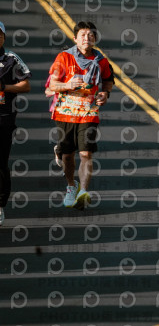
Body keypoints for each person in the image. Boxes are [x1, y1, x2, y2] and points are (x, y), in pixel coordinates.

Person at [48, 21, 113, 210]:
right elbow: (52, 85)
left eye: (91, 35)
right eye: (83, 35)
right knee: (68, 156)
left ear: (95, 38)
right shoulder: (64, 57)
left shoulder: (101, 61)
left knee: (86, 153)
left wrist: (105, 94)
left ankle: (83, 191)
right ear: (75, 39)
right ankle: (71, 186)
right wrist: (68, 85)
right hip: (65, 113)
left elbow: (108, 80)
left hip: (88, 112)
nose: (87, 38)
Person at [0, 21, 32, 226]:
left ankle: (0, 205)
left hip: (3, 118)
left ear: (3, 37)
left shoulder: (11, 59)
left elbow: (26, 85)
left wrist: (4, 87)